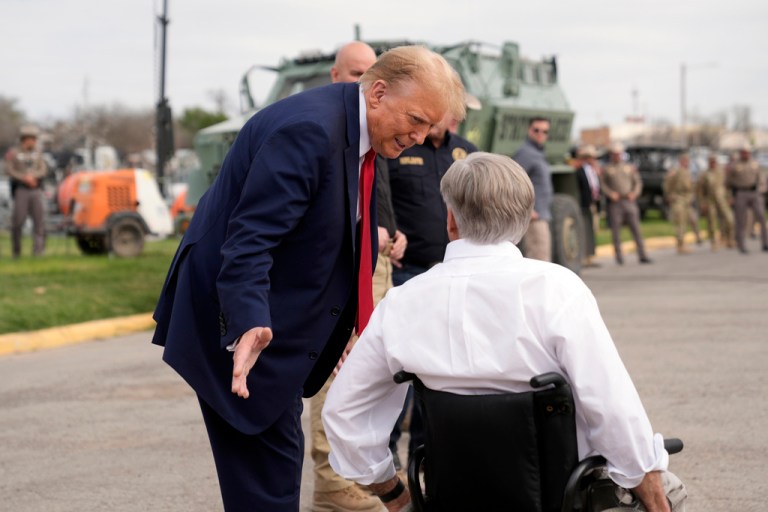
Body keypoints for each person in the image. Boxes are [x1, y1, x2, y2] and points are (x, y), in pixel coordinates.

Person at [151, 45, 465, 511]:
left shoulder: (362, 131)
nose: (420, 136)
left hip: (274, 321)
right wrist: (247, 323)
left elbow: (335, 236)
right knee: (268, 475)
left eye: (429, 127)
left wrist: (350, 328)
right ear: (378, 93)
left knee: (274, 466)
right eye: (416, 120)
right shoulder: (310, 132)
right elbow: (251, 238)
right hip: (239, 329)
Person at [323, 152, 687, 512]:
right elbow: (613, 408)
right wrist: (655, 497)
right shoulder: (558, 288)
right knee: (669, 487)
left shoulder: (403, 301)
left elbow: (343, 413)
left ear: (451, 220)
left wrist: (397, 497)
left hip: (450, 496)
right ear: (524, 221)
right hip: (562, 496)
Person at [309, 40, 402, 512]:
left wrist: (392, 233)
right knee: (336, 376)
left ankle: (366, 477)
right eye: (354, 73)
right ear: (334, 75)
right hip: (345, 268)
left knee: (372, 376)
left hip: (378, 264)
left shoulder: (373, 129)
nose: (362, 84)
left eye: (371, 75)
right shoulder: (328, 133)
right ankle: (334, 485)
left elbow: (378, 197)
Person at [385, 108, 477, 468]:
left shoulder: (467, 151)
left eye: (458, 114)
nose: (454, 120)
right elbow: (382, 200)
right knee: (401, 374)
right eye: (447, 113)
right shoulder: (400, 148)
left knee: (441, 373)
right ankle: (387, 457)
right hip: (408, 274)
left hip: (454, 277)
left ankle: (425, 461)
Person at [600, 142, 652, 265]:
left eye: (619, 154)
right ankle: (619, 257)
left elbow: (638, 182)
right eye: (614, 154)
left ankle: (642, 255)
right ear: (611, 155)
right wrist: (610, 194)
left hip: (629, 201)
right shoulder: (607, 169)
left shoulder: (629, 167)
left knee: (636, 229)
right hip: (615, 203)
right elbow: (602, 184)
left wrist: (634, 193)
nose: (617, 156)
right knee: (616, 231)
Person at [512, 117, 553, 261]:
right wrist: (528, 210)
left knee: (542, 258)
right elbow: (513, 182)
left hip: (541, 215)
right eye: (536, 130)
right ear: (529, 130)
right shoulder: (526, 153)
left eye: (545, 131)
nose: (540, 134)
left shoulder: (537, 153)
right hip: (534, 219)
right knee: (539, 259)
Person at [5, 125, 47, 258]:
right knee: (18, 221)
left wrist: (34, 176)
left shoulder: (38, 153)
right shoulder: (14, 152)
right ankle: (16, 252)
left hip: (35, 190)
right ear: (24, 139)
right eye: (31, 139)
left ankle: (38, 252)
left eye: (35, 139)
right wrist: (24, 178)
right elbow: (9, 169)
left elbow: (43, 169)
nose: (33, 142)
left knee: (39, 222)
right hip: (21, 190)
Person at [726, 143, 768, 254]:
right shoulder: (734, 166)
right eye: (743, 152)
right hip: (740, 193)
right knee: (740, 220)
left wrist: (761, 190)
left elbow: (762, 179)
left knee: (762, 218)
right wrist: (730, 196)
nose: (745, 154)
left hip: (754, 193)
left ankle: (765, 243)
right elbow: (727, 183)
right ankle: (741, 245)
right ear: (740, 153)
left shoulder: (755, 164)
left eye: (747, 152)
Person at [696, 154, 734, 251]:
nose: (713, 163)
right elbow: (700, 190)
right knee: (711, 222)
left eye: (714, 161)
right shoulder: (704, 174)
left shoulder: (721, 171)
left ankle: (728, 238)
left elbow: (727, 186)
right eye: (711, 161)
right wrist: (702, 202)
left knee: (729, 219)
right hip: (710, 200)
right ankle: (713, 242)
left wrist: (729, 197)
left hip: (722, 199)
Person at [663, 153, 696, 255]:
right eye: (685, 161)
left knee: (691, 220)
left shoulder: (688, 172)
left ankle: (692, 239)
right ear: (680, 161)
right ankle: (680, 245)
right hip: (678, 200)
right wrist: (670, 196)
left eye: (687, 161)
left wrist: (691, 197)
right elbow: (667, 185)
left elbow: (691, 187)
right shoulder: (675, 172)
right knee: (680, 223)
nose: (687, 163)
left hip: (686, 201)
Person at [575, 144, 602, 267]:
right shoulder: (579, 171)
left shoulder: (593, 171)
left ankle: (590, 256)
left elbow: (596, 186)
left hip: (593, 203)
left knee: (592, 230)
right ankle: (584, 257)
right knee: (584, 230)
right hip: (584, 205)